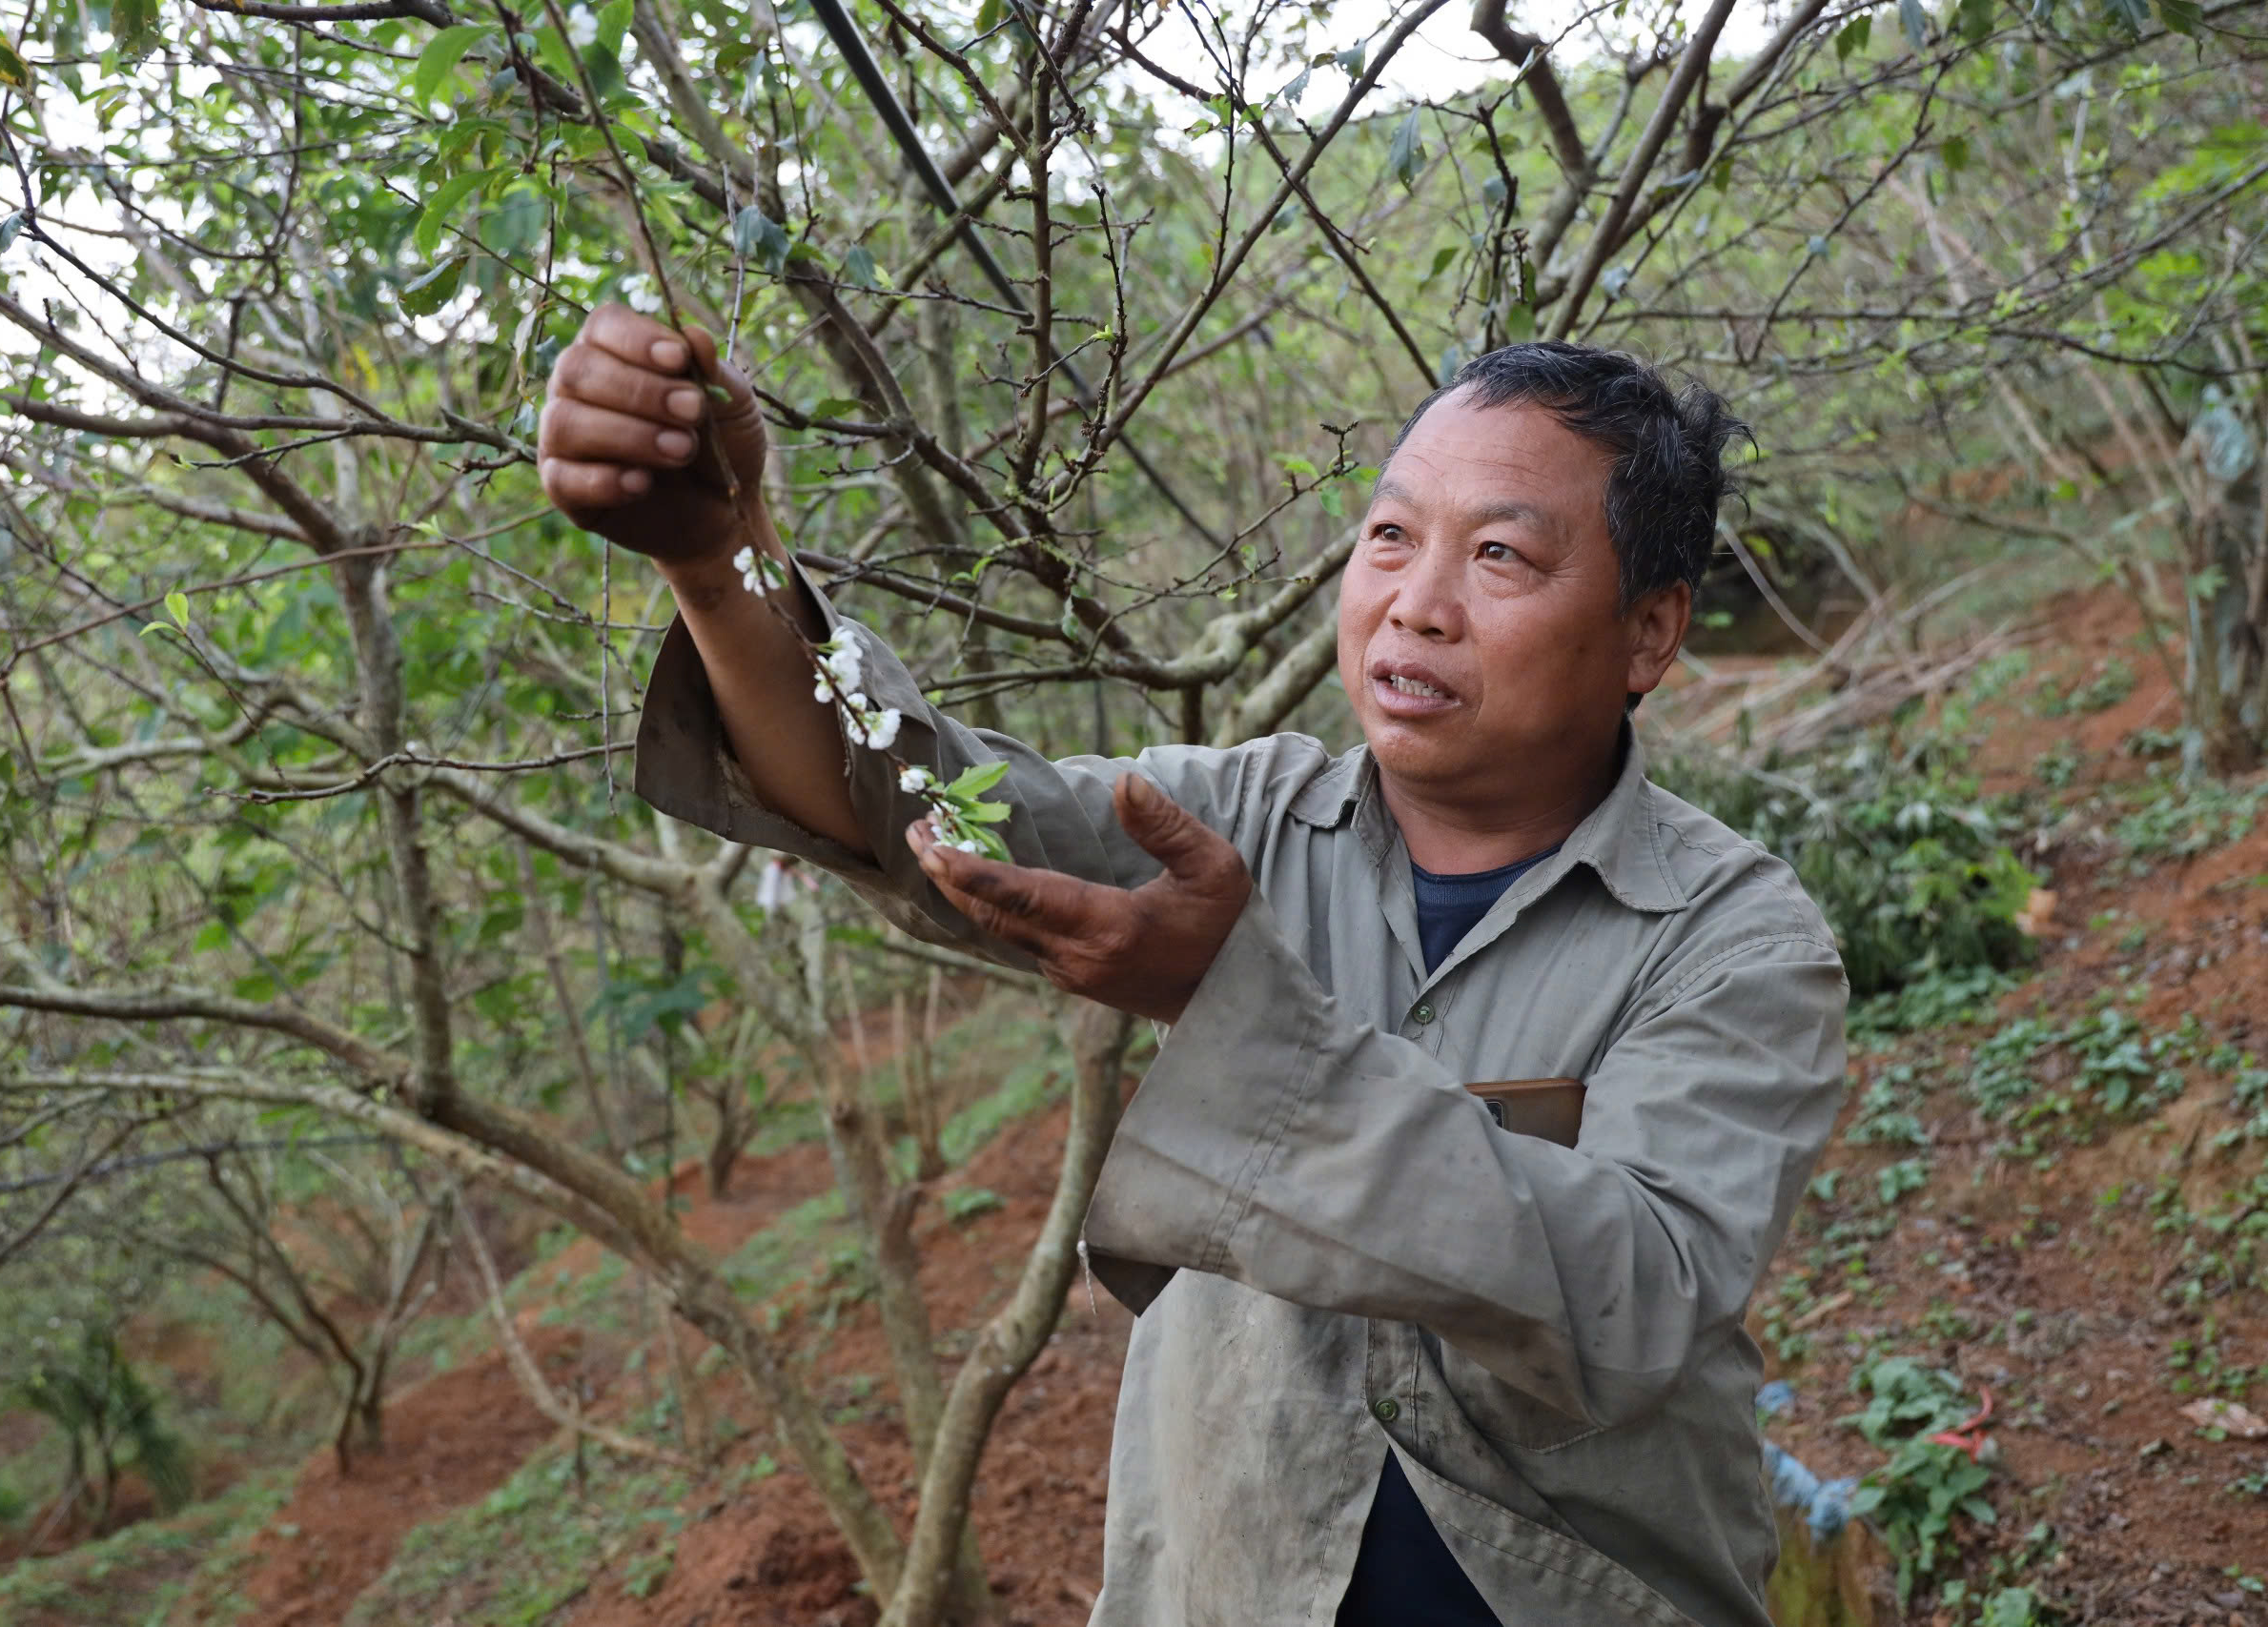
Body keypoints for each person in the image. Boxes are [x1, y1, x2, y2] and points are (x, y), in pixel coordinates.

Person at [537, 309, 1849, 1627]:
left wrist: (1229, 1005)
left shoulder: (1732, 938)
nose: (1415, 605)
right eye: (1390, 537)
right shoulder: (1239, 821)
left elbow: (1637, 1292)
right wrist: (724, 567)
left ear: (1649, 635)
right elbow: (922, 808)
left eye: (1500, 554)